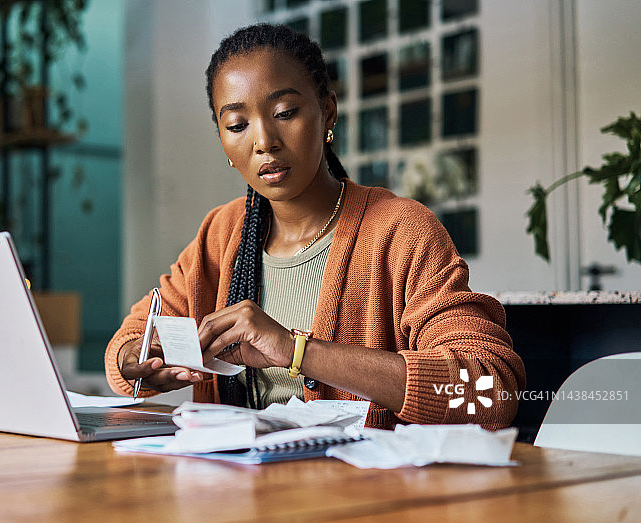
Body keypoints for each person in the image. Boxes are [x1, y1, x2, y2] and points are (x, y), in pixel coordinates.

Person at [106, 23, 525, 430]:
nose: (264, 140)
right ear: (223, 140)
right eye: (237, 125)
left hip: (365, 495)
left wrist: (296, 349)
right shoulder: (222, 234)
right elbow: (130, 339)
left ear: (327, 111)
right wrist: (137, 359)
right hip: (236, 491)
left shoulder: (401, 232)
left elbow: (491, 392)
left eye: (284, 112)